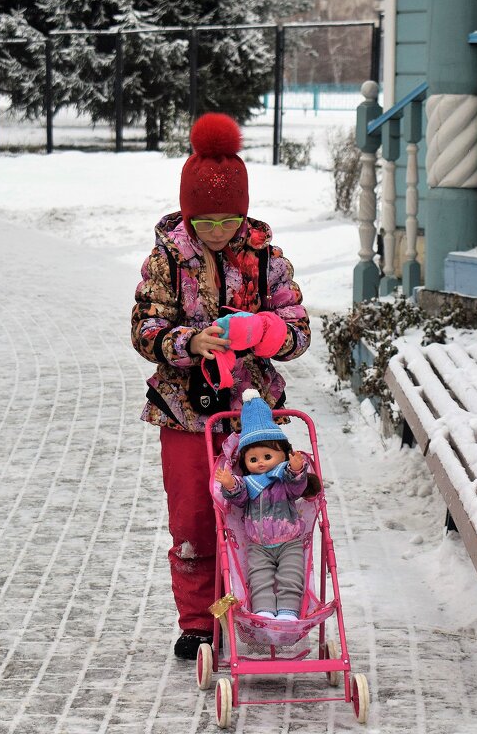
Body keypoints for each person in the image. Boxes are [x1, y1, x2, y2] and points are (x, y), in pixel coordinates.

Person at [131, 112, 310, 659]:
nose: (217, 230)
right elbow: (144, 329)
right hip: (184, 413)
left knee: (259, 513)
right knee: (193, 520)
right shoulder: (166, 260)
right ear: (188, 213)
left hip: (254, 418)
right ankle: (200, 623)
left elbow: (299, 332)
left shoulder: (265, 260)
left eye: (228, 218)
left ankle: (260, 609)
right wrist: (187, 342)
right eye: (205, 220)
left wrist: (264, 331)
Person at [215, 389, 319, 621]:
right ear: (245, 462)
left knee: (290, 577)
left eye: (267, 456)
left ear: (282, 454)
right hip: (257, 544)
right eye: (253, 459)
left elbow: (297, 488)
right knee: (259, 578)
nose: (260, 463)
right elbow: (240, 500)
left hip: (289, 541)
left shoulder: (285, 478)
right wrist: (231, 485)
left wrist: (296, 470)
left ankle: (288, 614)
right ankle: (263, 613)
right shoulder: (248, 483)